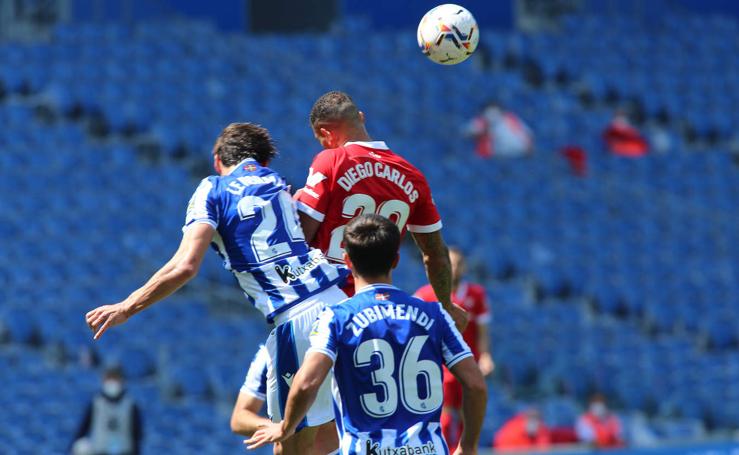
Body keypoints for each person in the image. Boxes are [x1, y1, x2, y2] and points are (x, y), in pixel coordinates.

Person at [85, 123, 349, 454]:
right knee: (346, 430)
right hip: (339, 302)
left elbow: (185, 266)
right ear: (261, 161)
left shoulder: (213, 188)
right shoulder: (278, 183)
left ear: (216, 159)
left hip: (297, 319)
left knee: (291, 444)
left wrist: (128, 306)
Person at [246, 214, 488, 455]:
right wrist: (468, 446)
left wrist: (286, 427)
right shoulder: (434, 314)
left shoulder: (336, 317)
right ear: (395, 261)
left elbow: (306, 382)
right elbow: (476, 384)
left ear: (347, 261)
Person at [294, 90, 468, 329]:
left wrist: (295, 204)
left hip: (323, 305)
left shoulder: (331, 160)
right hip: (373, 313)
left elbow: (300, 237)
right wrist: (446, 304)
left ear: (325, 134)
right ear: (361, 117)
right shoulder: (413, 176)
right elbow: (436, 254)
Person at [414, 247, 494, 449]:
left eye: (459, 263)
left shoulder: (476, 294)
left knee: (469, 410)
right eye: (451, 263)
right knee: (446, 412)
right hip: (439, 365)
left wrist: (485, 356)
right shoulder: (425, 295)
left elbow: (482, 330)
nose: (455, 268)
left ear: (464, 267)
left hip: (468, 362)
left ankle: (465, 448)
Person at [230, 345, 338, 454]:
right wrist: (284, 427)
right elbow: (239, 418)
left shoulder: (338, 347)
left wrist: (287, 428)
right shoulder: (270, 353)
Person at [71, 366, 143, 455]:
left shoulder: (130, 405)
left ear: (122, 381)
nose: (112, 382)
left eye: (115, 378)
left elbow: (137, 434)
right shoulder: (96, 403)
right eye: (109, 378)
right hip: (100, 451)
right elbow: (83, 427)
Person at [464, 102, 534, 158]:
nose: (492, 115)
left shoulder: (511, 119)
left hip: (515, 155)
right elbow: (466, 133)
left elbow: (528, 135)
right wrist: (484, 131)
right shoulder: (481, 121)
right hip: (491, 155)